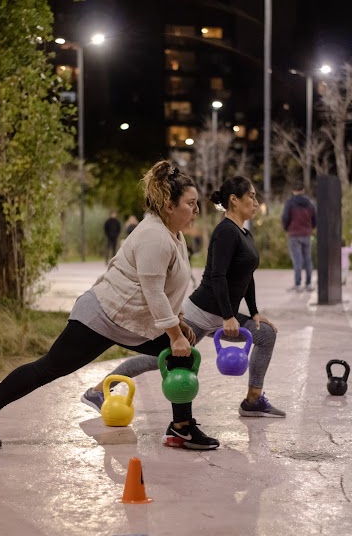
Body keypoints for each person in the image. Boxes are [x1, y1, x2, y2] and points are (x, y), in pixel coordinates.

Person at [0, 160, 219, 451]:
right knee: (49, 368)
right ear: (169, 206)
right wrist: (174, 334)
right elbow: (154, 293)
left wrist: (178, 321)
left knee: (181, 357)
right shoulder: (154, 236)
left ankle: (181, 429)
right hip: (102, 315)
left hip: (132, 319)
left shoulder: (175, 235)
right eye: (191, 204)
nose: (196, 211)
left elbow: (169, 289)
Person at [82, 176, 285, 442]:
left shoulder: (244, 233)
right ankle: (98, 390)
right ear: (234, 200)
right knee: (158, 360)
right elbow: (219, 276)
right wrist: (228, 316)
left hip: (222, 314)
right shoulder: (225, 231)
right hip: (201, 312)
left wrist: (254, 312)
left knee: (266, 334)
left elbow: (246, 276)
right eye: (252, 196)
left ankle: (253, 401)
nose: (257, 202)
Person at [281, 181, 316, 292]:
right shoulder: (310, 203)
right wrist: (310, 228)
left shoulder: (290, 203)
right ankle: (309, 284)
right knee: (308, 259)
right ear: (303, 191)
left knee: (297, 261)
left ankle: (298, 285)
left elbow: (285, 218)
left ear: (293, 191)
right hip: (306, 234)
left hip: (294, 234)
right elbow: (315, 219)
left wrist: (287, 228)